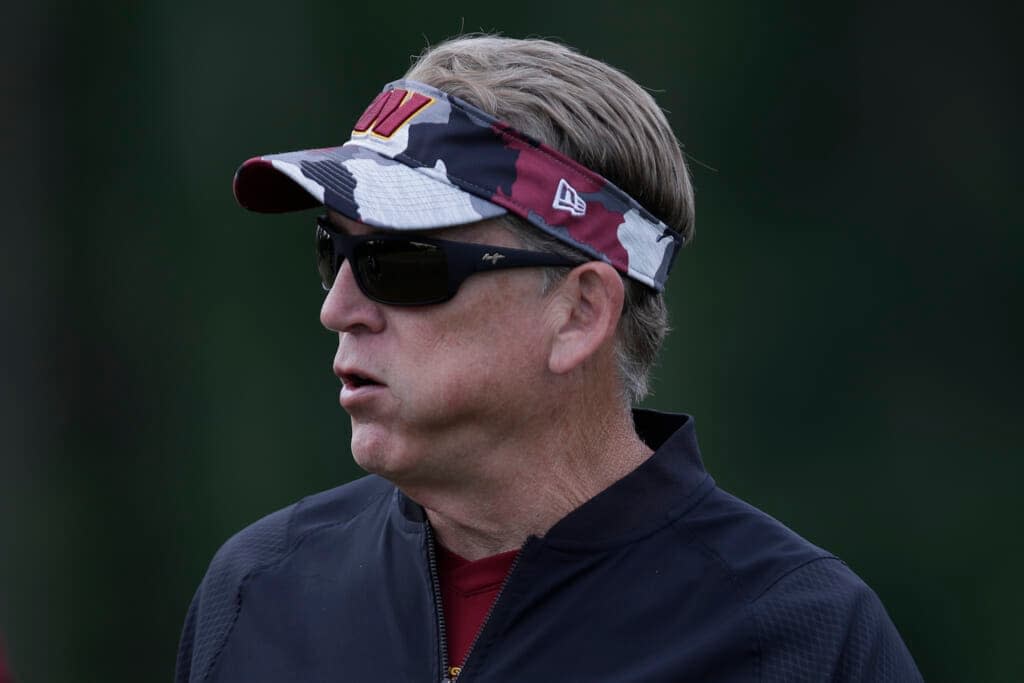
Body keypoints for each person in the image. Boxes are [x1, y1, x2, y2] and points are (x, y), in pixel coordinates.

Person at [176, 35, 922, 682]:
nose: (338, 308)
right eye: (331, 250)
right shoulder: (259, 591)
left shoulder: (799, 639)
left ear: (580, 313)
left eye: (397, 264)